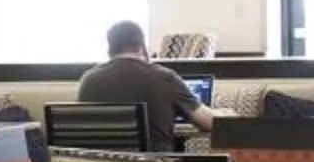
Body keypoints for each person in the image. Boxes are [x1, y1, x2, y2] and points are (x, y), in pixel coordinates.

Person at [77, 21, 213, 139]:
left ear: (110, 49)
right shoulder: (164, 77)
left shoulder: (88, 79)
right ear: (142, 46)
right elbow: (209, 123)